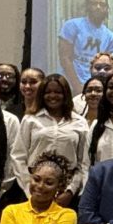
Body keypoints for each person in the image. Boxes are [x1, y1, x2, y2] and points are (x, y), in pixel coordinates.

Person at [13, 73, 89, 205]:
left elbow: (84, 163)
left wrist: (70, 191)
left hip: (66, 192)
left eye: (58, 92)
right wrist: (29, 189)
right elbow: (19, 156)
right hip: (34, 189)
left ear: (66, 94)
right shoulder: (30, 119)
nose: (52, 96)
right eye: (48, 92)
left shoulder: (79, 122)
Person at [59, 0, 113, 93]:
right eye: (94, 4)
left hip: (94, 87)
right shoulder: (72, 25)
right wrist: (77, 86)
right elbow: (65, 58)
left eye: (102, 4)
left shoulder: (110, 36)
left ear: (106, 9)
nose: (98, 7)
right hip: (70, 85)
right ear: (88, 6)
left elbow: (107, 66)